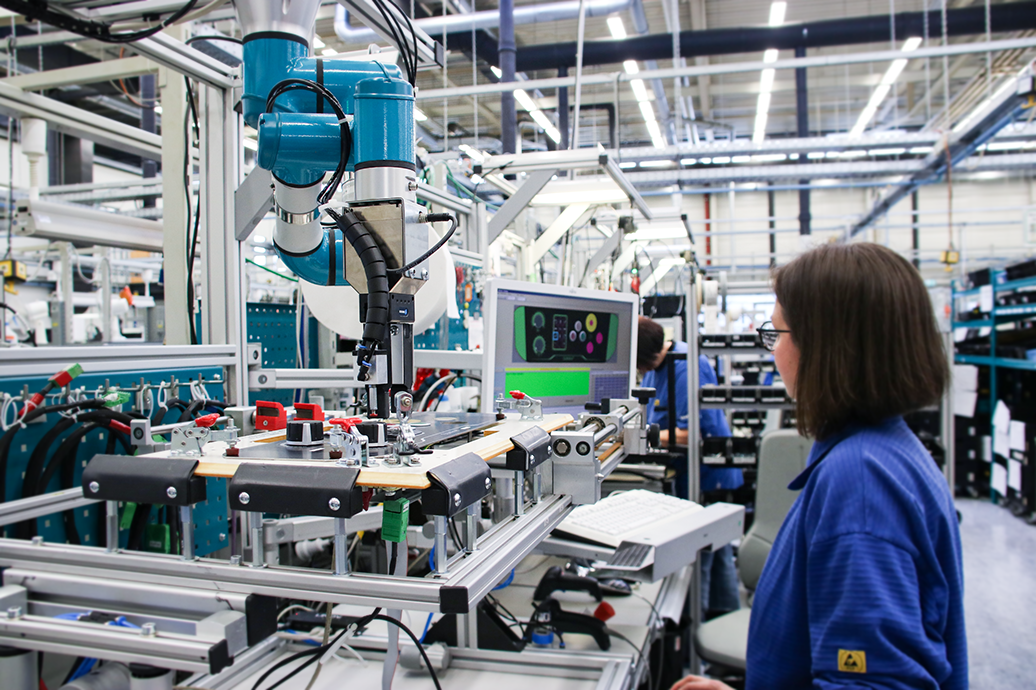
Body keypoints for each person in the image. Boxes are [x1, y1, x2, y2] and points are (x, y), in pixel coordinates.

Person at [671, 243, 965, 690]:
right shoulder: (886, 448)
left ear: (826, 347)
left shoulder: (862, 482)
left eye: (776, 335)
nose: (773, 353)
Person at [638, 316, 743, 617]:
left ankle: (701, 628)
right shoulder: (655, 370)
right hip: (687, 473)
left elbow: (692, 432)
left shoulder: (687, 366)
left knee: (703, 558)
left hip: (708, 474)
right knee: (717, 552)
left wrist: (640, 436)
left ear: (644, 357)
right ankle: (723, 621)